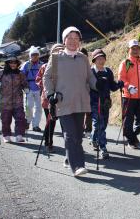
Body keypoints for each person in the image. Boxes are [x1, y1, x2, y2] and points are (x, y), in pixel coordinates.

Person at [43, 26, 102, 177]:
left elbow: (90, 77)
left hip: (81, 102)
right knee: (70, 134)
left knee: (78, 135)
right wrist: (50, 94)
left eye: (76, 38)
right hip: (63, 102)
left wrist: (98, 84)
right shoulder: (55, 58)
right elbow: (47, 77)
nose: (73, 41)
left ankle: (71, 157)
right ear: (64, 40)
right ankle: (77, 166)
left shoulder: (83, 58)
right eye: (70, 38)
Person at [90, 48, 123, 159]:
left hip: (105, 103)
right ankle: (103, 147)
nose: (101, 60)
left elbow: (112, 87)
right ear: (94, 60)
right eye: (98, 58)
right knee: (99, 123)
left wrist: (119, 84)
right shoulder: (91, 72)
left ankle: (94, 139)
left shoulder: (108, 71)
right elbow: (87, 87)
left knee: (102, 125)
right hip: (94, 102)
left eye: (102, 58)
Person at [0, 56, 28, 143]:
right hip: (5, 102)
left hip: (18, 101)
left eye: (15, 63)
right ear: (7, 63)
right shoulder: (0, 73)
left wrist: (26, 88)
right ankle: (6, 135)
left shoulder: (20, 73)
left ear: (17, 64)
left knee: (20, 118)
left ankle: (19, 135)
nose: (13, 64)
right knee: (6, 120)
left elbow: (25, 83)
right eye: (11, 62)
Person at [35, 43, 65, 152]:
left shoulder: (67, 66)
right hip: (49, 98)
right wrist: (45, 87)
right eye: (56, 50)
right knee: (50, 122)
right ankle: (48, 142)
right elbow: (38, 79)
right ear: (51, 53)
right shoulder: (45, 66)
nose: (59, 52)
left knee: (65, 123)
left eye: (62, 50)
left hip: (63, 99)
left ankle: (69, 146)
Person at [21, 46, 43, 132]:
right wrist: (24, 87)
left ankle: (36, 125)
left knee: (38, 108)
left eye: (37, 55)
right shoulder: (26, 65)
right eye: (33, 55)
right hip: (29, 88)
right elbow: (22, 76)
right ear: (30, 56)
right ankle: (27, 121)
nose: (35, 56)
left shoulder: (41, 64)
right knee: (28, 106)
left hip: (39, 89)